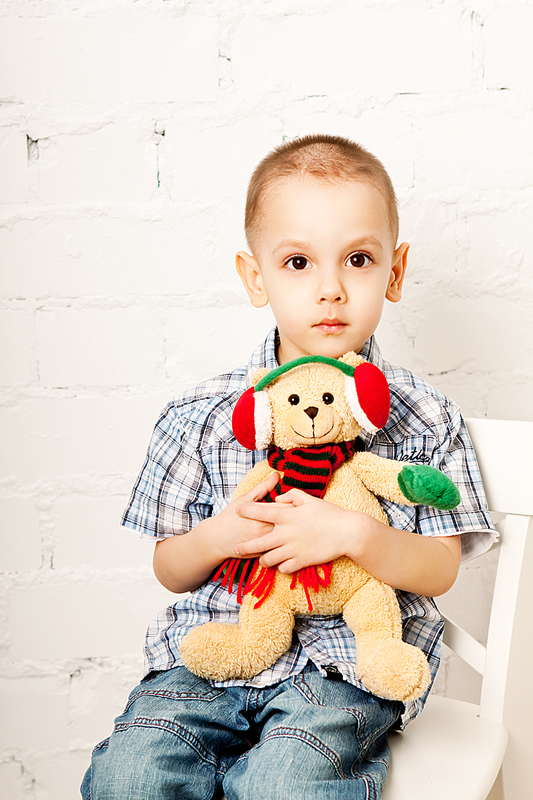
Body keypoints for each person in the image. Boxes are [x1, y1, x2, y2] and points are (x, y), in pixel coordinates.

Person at [81, 134, 496, 799]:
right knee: (130, 776)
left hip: (345, 670)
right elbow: (170, 569)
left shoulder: (425, 416)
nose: (330, 289)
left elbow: (440, 568)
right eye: (298, 262)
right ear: (256, 278)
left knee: (286, 781)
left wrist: (353, 534)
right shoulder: (199, 414)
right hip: (218, 652)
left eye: (357, 259)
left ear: (393, 271)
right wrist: (217, 537)